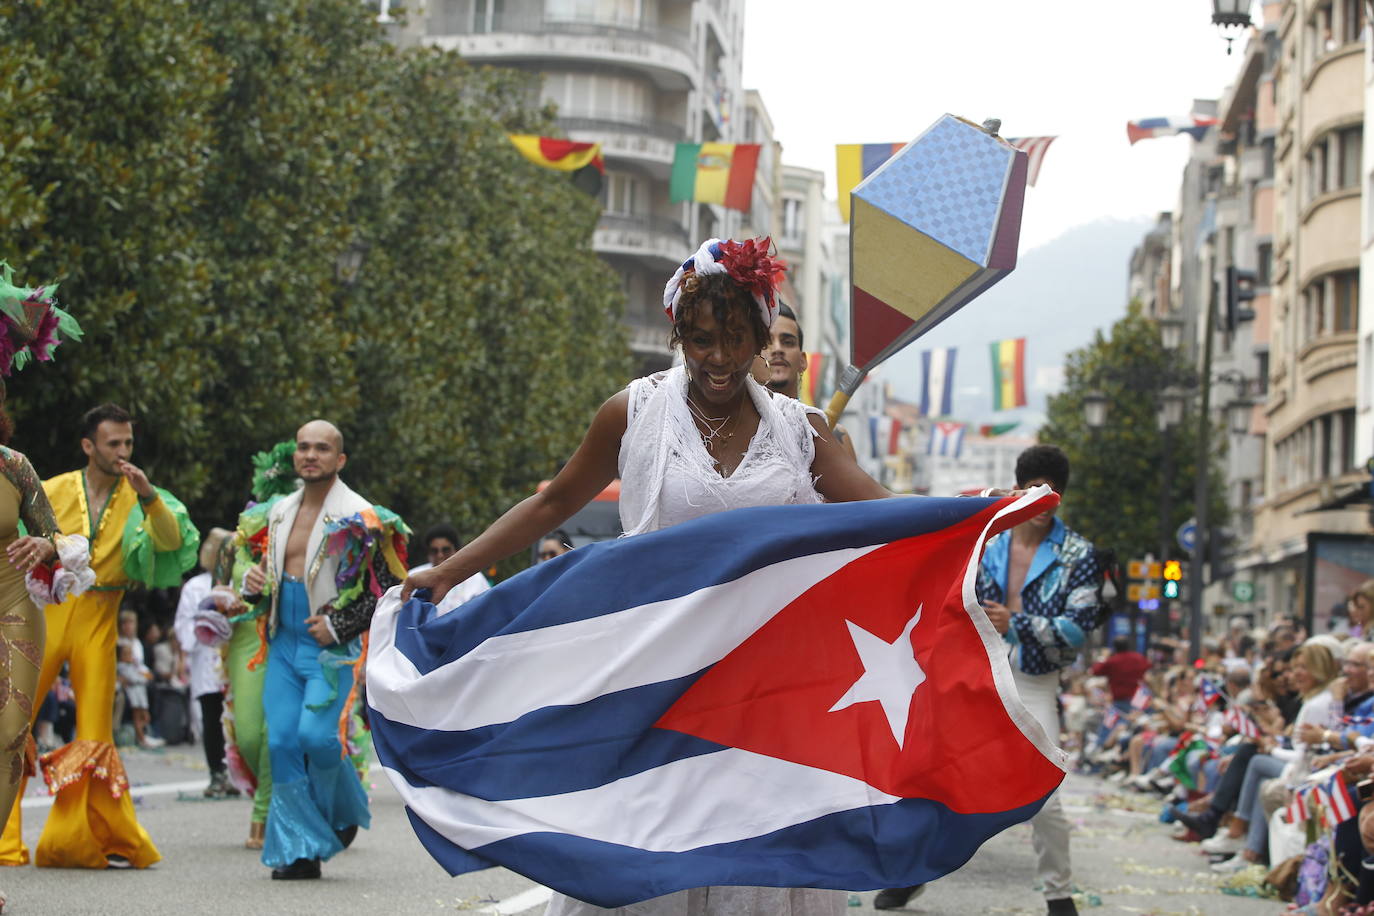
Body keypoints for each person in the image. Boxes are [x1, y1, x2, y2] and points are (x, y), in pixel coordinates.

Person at [404, 237, 912, 916]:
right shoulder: (632, 411)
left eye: (737, 339)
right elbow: (555, 503)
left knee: (752, 852)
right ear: (678, 335)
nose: (721, 358)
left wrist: (982, 518)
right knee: (651, 848)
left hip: (766, 684)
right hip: (652, 673)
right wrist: (448, 571)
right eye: (701, 340)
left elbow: (886, 513)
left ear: (762, 338)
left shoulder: (803, 431)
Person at [877, 445, 1100, 915]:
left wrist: (1016, 622)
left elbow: (1079, 628)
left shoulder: (1079, 553)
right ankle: (912, 873)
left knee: (1048, 794)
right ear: (1018, 488)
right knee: (937, 777)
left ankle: (1059, 895)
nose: (1041, 502)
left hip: (1036, 683)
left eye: (1051, 493)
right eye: (1033, 490)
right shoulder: (987, 539)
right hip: (971, 675)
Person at [0, 402, 197, 869]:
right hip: (49, 607)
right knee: (15, 724)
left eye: (128, 442)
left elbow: (170, 541)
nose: (123, 451)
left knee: (94, 731)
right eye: (114, 443)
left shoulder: (140, 495)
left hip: (101, 617)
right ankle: (5, 843)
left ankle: (82, 838)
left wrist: (149, 496)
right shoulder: (55, 484)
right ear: (89, 446)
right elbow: (24, 530)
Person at [241, 420, 409, 880]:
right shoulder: (277, 512)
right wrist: (251, 583)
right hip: (282, 640)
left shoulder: (361, 515)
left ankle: (341, 807)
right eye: (303, 447)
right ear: (294, 455)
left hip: (330, 651)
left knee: (317, 737)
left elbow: (389, 589)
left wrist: (339, 624)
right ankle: (298, 851)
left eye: (321, 448)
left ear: (340, 460)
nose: (310, 455)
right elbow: (263, 579)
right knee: (280, 742)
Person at [173, 529, 235, 797]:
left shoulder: (238, 582)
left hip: (232, 658)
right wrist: (202, 630)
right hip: (206, 660)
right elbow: (183, 624)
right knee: (211, 717)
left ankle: (238, 772)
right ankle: (217, 773)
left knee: (235, 717)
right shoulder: (195, 586)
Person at [760, 302, 858, 459]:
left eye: (788, 342)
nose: (777, 349)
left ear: (803, 361)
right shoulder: (732, 433)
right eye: (766, 343)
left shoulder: (833, 436)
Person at [408, 523, 488, 614]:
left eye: (445, 550)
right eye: (434, 551)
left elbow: (486, 611)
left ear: (456, 551)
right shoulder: (414, 576)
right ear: (428, 553)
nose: (440, 555)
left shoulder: (475, 578)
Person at [1091, 636, 1151, 712]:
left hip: (1119, 699)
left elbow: (1095, 671)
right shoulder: (1138, 658)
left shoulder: (1112, 661)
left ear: (1115, 647)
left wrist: (1104, 656)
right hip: (1138, 698)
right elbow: (1148, 666)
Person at [115, 640, 157, 749]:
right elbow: (134, 679)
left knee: (145, 717)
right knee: (138, 718)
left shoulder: (133, 666)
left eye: (131, 654)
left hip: (140, 696)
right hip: (134, 697)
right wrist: (142, 678)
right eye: (126, 654)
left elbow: (147, 675)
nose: (129, 656)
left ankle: (142, 736)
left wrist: (142, 675)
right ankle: (141, 738)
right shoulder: (122, 667)